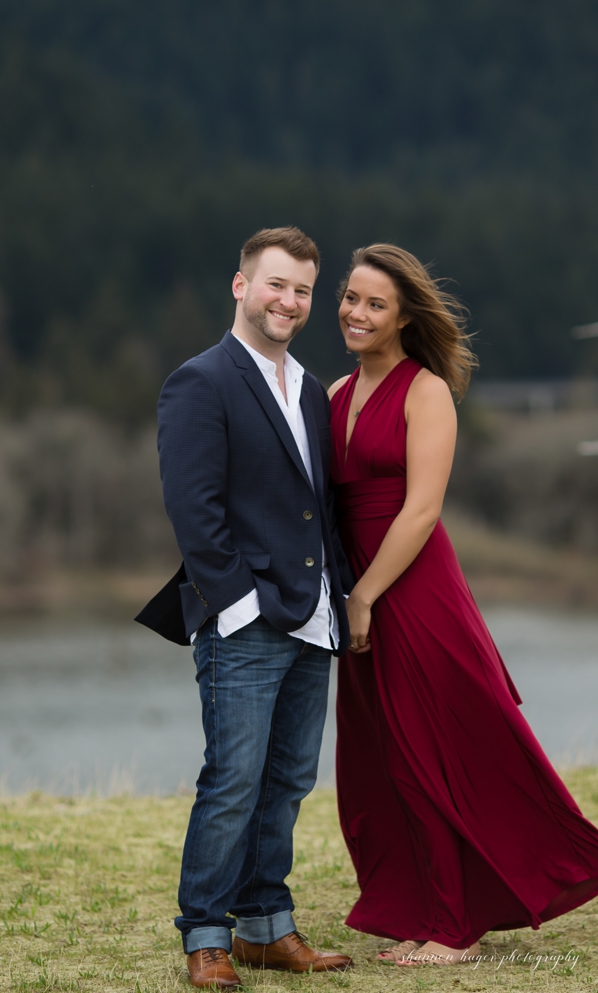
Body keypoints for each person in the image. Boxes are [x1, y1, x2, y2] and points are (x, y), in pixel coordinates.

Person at [326, 244, 598, 965]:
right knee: (382, 756)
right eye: (351, 297)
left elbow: (422, 509)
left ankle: (455, 926)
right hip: (354, 590)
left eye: (375, 303)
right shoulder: (332, 392)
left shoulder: (424, 390)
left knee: (433, 747)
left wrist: (364, 595)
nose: (356, 312)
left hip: (411, 589)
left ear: (402, 318)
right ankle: (420, 904)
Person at [138, 226, 355, 989]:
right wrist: (239, 606)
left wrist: (339, 598)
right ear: (241, 285)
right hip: (245, 619)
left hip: (314, 615)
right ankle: (205, 934)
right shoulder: (200, 380)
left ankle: (266, 926)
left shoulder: (312, 389)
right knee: (232, 778)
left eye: (301, 289)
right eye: (275, 284)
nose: (288, 300)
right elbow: (193, 510)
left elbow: (318, 508)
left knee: (289, 778)